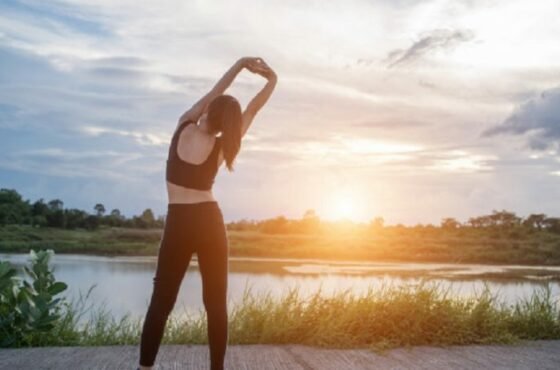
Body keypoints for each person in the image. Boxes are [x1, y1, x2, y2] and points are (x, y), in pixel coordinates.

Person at [137, 57, 277, 370]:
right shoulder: (224, 145)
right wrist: (272, 82)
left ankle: (144, 368)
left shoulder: (184, 126)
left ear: (209, 111)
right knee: (215, 304)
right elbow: (252, 110)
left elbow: (217, 90)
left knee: (162, 302)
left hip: (179, 222)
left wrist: (241, 65)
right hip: (210, 221)